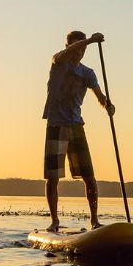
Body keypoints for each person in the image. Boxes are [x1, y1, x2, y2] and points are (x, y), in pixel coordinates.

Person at [42, 31, 115, 231]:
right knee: (53, 177)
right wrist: (90, 41)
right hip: (56, 124)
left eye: (83, 49)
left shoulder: (87, 73)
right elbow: (65, 54)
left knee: (89, 176)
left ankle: (94, 220)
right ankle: (55, 221)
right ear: (67, 47)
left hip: (76, 126)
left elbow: (99, 95)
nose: (79, 52)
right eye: (76, 47)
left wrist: (107, 105)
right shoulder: (58, 62)